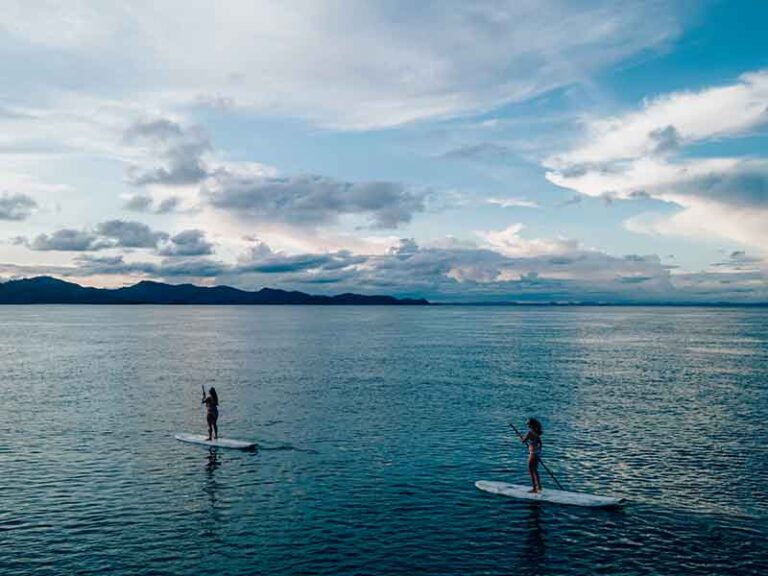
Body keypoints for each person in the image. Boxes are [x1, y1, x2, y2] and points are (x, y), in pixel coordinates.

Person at [522, 418, 543, 493]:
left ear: (531, 425)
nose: (526, 425)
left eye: (527, 424)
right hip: (537, 452)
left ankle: (534, 488)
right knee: (535, 470)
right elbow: (540, 443)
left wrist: (521, 438)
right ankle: (539, 486)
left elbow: (523, 441)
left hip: (533, 453)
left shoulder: (530, 433)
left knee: (531, 470)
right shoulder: (536, 432)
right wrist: (538, 450)